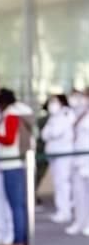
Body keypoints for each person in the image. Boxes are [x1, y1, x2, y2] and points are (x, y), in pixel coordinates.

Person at [0, 88, 33, 245]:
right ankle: (24, 238)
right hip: (15, 163)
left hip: (11, 164)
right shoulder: (14, 113)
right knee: (19, 204)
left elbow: (9, 139)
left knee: (16, 204)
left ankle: (18, 240)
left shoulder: (11, 115)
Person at [41, 93, 74, 224]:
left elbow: (56, 133)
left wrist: (50, 132)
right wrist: (50, 133)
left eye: (54, 101)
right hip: (53, 154)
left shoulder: (66, 114)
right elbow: (44, 134)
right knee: (57, 183)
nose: (52, 104)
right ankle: (61, 209)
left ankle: (65, 211)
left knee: (63, 183)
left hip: (63, 154)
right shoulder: (53, 116)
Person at [66, 87, 89, 236]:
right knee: (78, 194)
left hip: (87, 159)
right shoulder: (79, 114)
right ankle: (80, 221)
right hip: (77, 159)